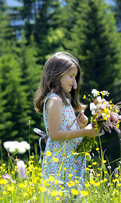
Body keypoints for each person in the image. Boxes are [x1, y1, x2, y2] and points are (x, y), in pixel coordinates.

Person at [34, 51, 98, 192]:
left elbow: (66, 130)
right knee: (61, 202)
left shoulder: (65, 100)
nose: (75, 83)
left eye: (75, 78)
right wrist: (84, 131)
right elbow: (55, 134)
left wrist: (78, 126)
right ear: (57, 75)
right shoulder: (55, 100)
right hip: (60, 164)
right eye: (71, 76)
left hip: (69, 161)